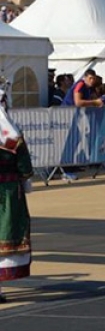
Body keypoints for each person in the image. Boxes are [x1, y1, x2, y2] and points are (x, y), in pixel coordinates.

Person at [0, 108, 34, 303]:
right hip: (8, 192)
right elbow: (24, 165)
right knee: (5, 233)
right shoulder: (12, 136)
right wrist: (25, 180)